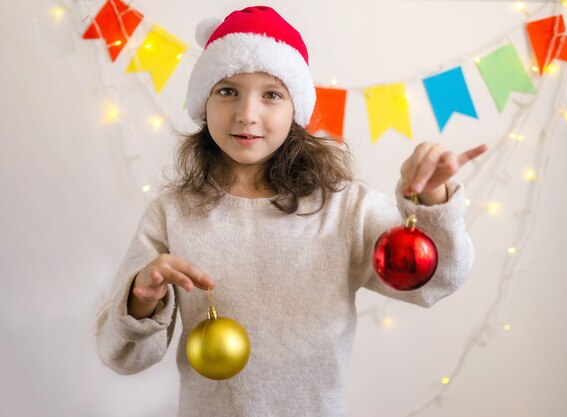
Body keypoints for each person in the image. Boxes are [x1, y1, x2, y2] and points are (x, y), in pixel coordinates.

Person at [94, 5, 487, 417]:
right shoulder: (172, 213)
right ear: (202, 103)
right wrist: (140, 298)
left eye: (271, 94)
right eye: (227, 90)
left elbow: (435, 282)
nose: (247, 114)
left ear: (295, 109)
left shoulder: (345, 208)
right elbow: (120, 355)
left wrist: (431, 200)